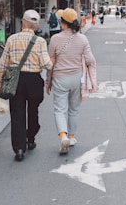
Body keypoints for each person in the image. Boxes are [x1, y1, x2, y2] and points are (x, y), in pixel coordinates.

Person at [0, 10, 53, 162]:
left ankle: (19, 149)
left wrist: (0, 82)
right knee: (33, 111)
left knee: (17, 114)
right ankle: (31, 138)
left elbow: (3, 63)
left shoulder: (12, 39)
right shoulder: (40, 41)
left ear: (22, 22)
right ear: (35, 25)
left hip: (16, 80)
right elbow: (47, 64)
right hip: (34, 80)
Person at [46, 8, 97, 155]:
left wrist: (47, 82)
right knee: (74, 109)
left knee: (60, 110)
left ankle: (63, 136)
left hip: (60, 78)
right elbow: (90, 60)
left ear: (63, 24)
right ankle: (72, 137)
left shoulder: (55, 39)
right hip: (77, 78)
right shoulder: (82, 39)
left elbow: (51, 63)